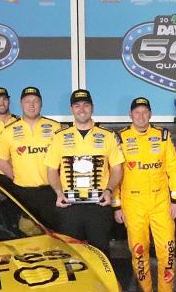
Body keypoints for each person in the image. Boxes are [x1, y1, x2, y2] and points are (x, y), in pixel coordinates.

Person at [113, 97, 176, 292]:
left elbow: (174, 168)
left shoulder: (162, 136)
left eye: (145, 112)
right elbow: (114, 172)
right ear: (130, 115)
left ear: (151, 114)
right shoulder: (120, 138)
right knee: (138, 251)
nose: (141, 116)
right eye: (137, 112)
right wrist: (117, 205)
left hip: (161, 202)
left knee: (167, 251)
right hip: (133, 204)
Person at [46, 89, 124, 255]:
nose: (82, 109)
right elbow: (51, 170)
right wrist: (59, 193)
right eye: (77, 105)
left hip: (98, 204)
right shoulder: (60, 136)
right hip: (69, 205)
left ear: (92, 107)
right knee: (72, 254)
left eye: (86, 105)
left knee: (101, 252)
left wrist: (109, 190)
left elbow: (117, 169)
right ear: (71, 109)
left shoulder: (108, 136)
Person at [0, 87, 66, 230]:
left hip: (50, 192)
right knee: (25, 233)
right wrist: (16, 177)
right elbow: (1, 160)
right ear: (21, 103)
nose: (31, 105)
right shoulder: (9, 130)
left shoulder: (55, 127)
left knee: (54, 234)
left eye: (35, 101)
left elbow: (66, 159)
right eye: (27, 101)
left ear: (41, 103)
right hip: (23, 193)